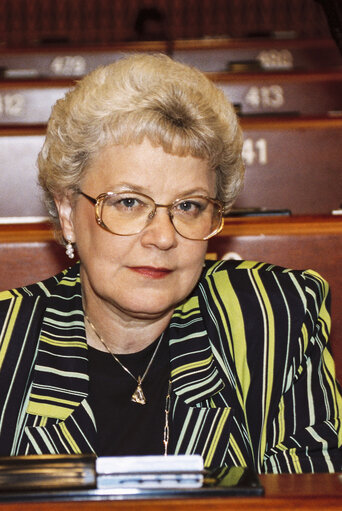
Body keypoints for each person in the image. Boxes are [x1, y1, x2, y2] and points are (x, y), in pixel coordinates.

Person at [0, 53, 341, 473]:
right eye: (128, 202)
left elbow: (309, 495)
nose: (163, 236)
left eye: (189, 206)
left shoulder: (274, 320)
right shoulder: (6, 343)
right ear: (68, 213)